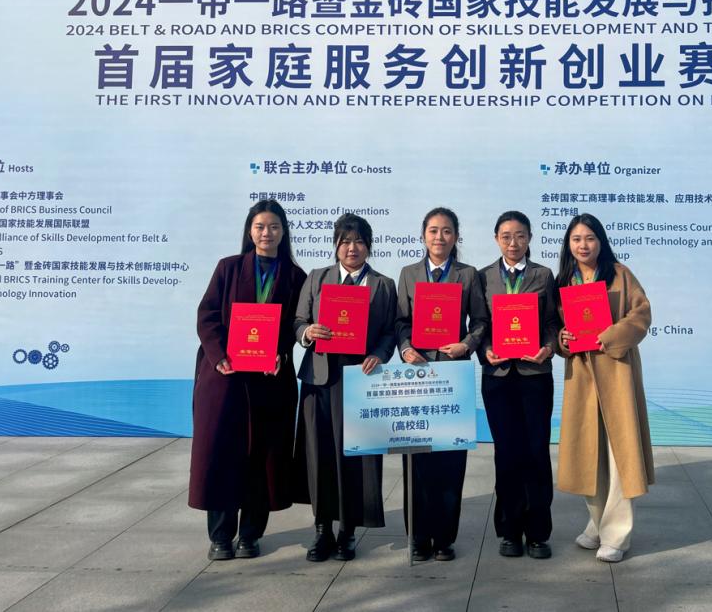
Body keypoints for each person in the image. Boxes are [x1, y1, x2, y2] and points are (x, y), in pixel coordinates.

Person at [188, 199, 306, 561]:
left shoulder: (295, 276)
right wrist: (218, 355)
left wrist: (282, 353)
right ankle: (220, 536)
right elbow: (207, 315)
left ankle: (251, 535)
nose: (266, 233)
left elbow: (294, 325)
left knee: (263, 458)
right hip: (226, 379)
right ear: (250, 231)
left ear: (284, 232)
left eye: (274, 226)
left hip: (270, 382)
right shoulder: (229, 268)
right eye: (260, 226)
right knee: (222, 455)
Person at [293, 213, 398, 562]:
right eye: (345, 241)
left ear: (369, 246)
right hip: (320, 379)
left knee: (356, 456)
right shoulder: (317, 277)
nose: (352, 248)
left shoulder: (383, 285)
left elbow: (390, 331)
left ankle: (348, 531)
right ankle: (322, 528)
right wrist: (307, 333)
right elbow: (298, 320)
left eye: (359, 241)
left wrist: (379, 354)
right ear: (336, 245)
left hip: (360, 380)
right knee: (319, 453)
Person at [554, 213, 653, 563]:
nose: (583, 245)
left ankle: (617, 534)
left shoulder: (620, 275)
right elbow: (556, 327)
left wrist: (610, 336)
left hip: (616, 372)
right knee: (588, 453)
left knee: (618, 454)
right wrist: (563, 340)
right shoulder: (564, 280)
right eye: (576, 239)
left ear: (601, 241)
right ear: (568, 244)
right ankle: (598, 523)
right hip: (582, 377)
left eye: (590, 238)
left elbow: (642, 314)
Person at [395, 207, 489, 561]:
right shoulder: (408, 274)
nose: (439, 237)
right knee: (417, 458)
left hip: (453, 373)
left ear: (456, 237)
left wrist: (467, 344)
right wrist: (405, 347)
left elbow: (480, 320)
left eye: (446, 231)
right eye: (433, 230)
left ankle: (444, 538)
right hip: (418, 374)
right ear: (423, 235)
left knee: (450, 459)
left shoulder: (468, 275)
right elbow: (401, 321)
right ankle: (418, 537)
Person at [477, 210, 560, 560]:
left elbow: (553, 321)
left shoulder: (543, 275)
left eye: (520, 236)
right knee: (507, 453)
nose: (513, 243)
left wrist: (549, 348)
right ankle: (509, 530)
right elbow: (479, 323)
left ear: (529, 239)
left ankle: (538, 533)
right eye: (506, 236)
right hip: (497, 377)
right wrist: (485, 349)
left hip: (534, 375)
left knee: (536, 452)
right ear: (497, 239)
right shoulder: (483, 277)